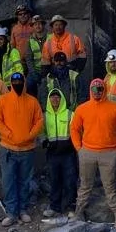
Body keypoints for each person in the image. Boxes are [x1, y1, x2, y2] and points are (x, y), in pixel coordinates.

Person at [69, 78, 116, 231]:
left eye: (100, 89)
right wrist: (79, 148)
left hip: (109, 153)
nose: (97, 92)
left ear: (104, 90)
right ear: (90, 90)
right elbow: (74, 129)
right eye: (94, 89)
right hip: (87, 153)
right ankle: (78, 214)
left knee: (110, 187)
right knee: (84, 186)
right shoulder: (82, 109)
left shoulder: (115, 108)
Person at [0, 71, 44, 226]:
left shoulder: (32, 101)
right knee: (9, 181)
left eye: (20, 81)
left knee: (24, 181)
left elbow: (39, 120)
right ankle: (11, 212)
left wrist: (30, 135)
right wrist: (8, 133)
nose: (17, 84)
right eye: (14, 82)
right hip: (8, 149)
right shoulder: (3, 100)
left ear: (24, 82)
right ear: (10, 84)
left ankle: (23, 210)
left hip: (27, 149)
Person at [42, 88, 77, 219]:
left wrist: (72, 143)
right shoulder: (45, 115)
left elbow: (76, 130)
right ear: (49, 99)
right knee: (54, 180)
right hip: (52, 153)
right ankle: (54, 207)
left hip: (68, 153)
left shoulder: (69, 114)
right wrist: (44, 141)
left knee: (70, 180)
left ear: (62, 99)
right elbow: (41, 131)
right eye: (52, 97)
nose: (55, 99)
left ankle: (70, 207)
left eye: (57, 97)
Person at [25, 14, 50, 95]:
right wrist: (33, 73)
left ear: (43, 25)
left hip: (49, 69)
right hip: (36, 70)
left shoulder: (51, 37)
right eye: (35, 24)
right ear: (33, 27)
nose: (38, 26)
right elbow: (29, 59)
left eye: (39, 23)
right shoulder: (30, 41)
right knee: (29, 85)